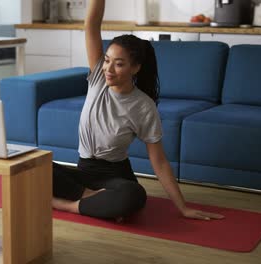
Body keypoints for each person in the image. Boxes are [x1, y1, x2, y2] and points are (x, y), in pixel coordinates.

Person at [51, 0, 224, 222]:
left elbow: (159, 161)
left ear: (135, 68)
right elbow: (91, 26)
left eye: (119, 64)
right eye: (107, 60)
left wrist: (183, 208)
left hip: (114, 175)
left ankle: (67, 205)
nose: (109, 69)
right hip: (84, 170)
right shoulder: (97, 79)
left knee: (134, 195)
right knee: (35, 167)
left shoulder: (143, 106)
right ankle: (91, 198)